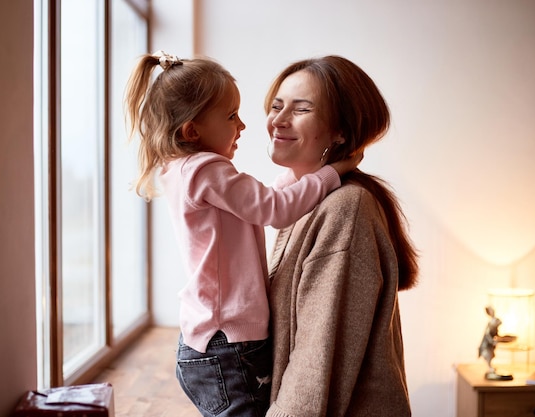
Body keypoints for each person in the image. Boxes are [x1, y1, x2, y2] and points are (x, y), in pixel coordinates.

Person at [124, 51, 361, 417]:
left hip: (211, 344)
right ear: (192, 130)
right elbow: (274, 208)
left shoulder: (185, 169)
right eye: (231, 116)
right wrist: (332, 174)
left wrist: (307, 177)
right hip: (227, 344)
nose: (244, 125)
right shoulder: (207, 169)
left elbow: (268, 201)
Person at [264, 55, 419, 416]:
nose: (278, 121)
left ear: (341, 132)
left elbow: (315, 361)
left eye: (300, 109)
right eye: (276, 106)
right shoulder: (301, 203)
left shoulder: (345, 208)